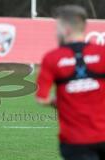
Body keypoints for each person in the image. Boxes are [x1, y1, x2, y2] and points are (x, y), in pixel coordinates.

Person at [36, 5, 105, 160]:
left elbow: (42, 98)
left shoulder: (52, 58)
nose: (55, 32)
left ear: (65, 29)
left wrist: (60, 100)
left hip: (75, 141)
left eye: (56, 28)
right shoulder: (102, 52)